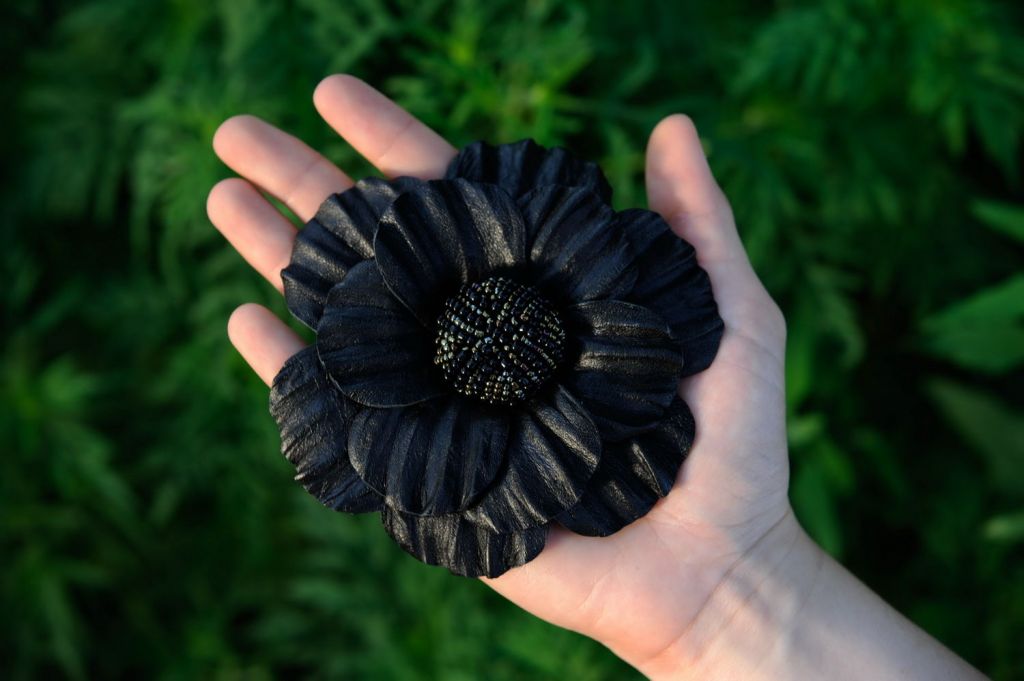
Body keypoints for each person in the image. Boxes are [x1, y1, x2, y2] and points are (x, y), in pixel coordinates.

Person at [207, 75, 986, 680]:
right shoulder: (409, 439)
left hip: (572, 352)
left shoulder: (616, 339)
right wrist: (739, 595)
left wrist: (742, 578)